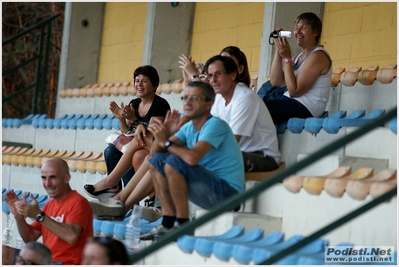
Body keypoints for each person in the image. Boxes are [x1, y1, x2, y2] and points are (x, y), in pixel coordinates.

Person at [139, 81, 244, 240]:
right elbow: (154, 154)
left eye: (194, 98)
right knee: (158, 161)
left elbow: (192, 158)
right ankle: (167, 222)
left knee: (174, 162)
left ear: (209, 104)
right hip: (207, 190)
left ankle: (182, 224)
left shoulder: (215, 124)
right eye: (185, 97)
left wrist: (165, 142)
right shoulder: (189, 127)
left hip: (228, 196)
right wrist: (166, 132)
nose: (187, 102)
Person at [84, 65, 170, 199]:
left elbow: (149, 134)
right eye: (137, 80)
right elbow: (127, 132)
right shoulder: (134, 104)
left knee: (137, 141)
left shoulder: (160, 104)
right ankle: (145, 200)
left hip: (159, 146)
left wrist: (135, 119)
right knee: (116, 152)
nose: (139, 84)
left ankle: (111, 182)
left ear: (154, 85)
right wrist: (122, 120)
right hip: (142, 147)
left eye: (144, 81)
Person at [4, 158, 93, 265]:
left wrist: (39, 215)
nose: (47, 183)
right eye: (43, 178)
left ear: (66, 178)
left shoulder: (79, 202)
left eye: (52, 177)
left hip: (70, 263)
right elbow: (30, 238)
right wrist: (18, 216)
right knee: (3, 253)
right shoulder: (49, 205)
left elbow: (71, 236)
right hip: (49, 262)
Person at [204, 55, 281, 172]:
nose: (213, 80)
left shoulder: (245, 97)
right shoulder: (219, 98)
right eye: (210, 76)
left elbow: (231, 142)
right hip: (237, 153)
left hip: (264, 158)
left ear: (233, 75)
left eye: (218, 74)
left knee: (212, 158)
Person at [258, 12, 332, 125]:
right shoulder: (299, 57)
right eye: (296, 28)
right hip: (290, 102)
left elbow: (294, 91)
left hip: (306, 107)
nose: (298, 32)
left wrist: (287, 58)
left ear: (315, 32)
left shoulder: (318, 56)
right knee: (251, 106)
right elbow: (276, 81)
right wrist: (279, 50)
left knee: (254, 109)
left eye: (304, 28)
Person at [178, 45, 250, 88]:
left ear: (240, 69)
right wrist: (187, 80)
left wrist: (193, 75)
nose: (221, 65)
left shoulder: (240, 87)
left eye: (228, 62)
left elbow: (202, 97)